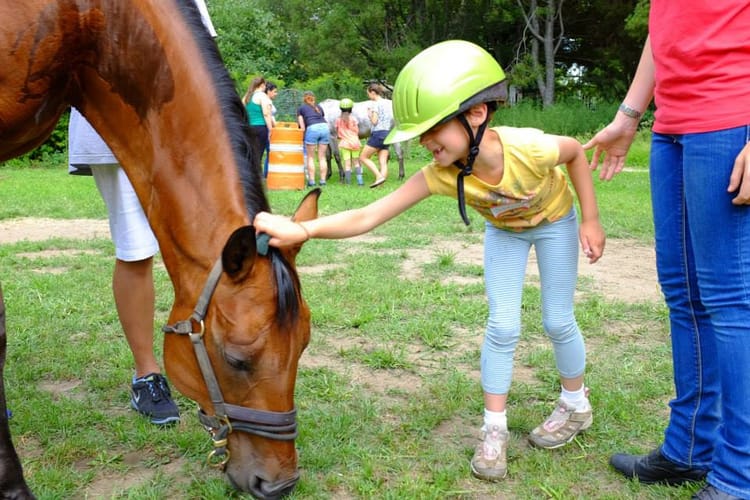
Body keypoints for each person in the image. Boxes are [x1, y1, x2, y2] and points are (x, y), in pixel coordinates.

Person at [255, 40, 605, 482]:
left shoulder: (529, 149)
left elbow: (574, 150)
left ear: (475, 114)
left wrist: (589, 220)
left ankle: (576, 406)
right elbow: (368, 215)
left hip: (555, 221)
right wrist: (303, 229)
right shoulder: (441, 174)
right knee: (502, 326)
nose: (424, 142)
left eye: (433, 129)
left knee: (557, 320)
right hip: (506, 232)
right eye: (419, 133)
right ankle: (493, 429)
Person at [584, 3, 750, 499]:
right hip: (673, 126)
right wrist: (629, 115)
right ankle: (689, 448)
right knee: (684, 292)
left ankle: (739, 475)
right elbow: (666, 27)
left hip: (731, 118)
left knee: (730, 300)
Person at [68, 109, 180, 425]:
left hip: (185, 123)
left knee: (207, 247)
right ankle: (146, 375)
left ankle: (210, 365)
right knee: (136, 249)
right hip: (115, 121)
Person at [359, 83, 393, 188]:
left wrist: (370, 115)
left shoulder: (376, 104)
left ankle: (379, 176)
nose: (368, 96)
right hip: (387, 133)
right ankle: (380, 186)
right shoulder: (388, 103)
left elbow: (374, 121)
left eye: (368, 94)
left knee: (363, 157)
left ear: (373, 93)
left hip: (378, 133)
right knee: (383, 161)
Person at [297, 90, 330, 187]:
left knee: (310, 157)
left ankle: (311, 181)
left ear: (304, 98)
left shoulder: (301, 108)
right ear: (313, 98)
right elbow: (321, 118)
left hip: (312, 128)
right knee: (322, 157)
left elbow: (302, 127)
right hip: (325, 127)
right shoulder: (319, 107)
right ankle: (323, 181)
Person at [242, 76, 274, 176]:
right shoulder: (262, 96)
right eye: (265, 85)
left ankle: (247, 175)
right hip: (260, 127)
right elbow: (266, 114)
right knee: (258, 154)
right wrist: (270, 129)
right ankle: (256, 178)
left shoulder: (246, 96)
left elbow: (242, 113)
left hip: (249, 128)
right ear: (262, 85)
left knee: (250, 154)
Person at [335, 98, 363, 186]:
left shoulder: (338, 120)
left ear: (341, 109)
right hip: (355, 142)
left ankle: (348, 183)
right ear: (351, 109)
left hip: (345, 143)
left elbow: (337, 133)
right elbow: (357, 131)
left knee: (347, 164)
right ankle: (360, 182)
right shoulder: (354, 119)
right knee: (356, 162)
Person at [262, 81, 279, 177]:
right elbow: (269, 116)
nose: (276, 94)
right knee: (270, 152)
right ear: (268, 91)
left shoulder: (267, 100)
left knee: (269, 153)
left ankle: (266, 174)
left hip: (268, 127)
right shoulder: (266, 101)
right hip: (268, 129)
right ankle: (267, 175)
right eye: (274, 91)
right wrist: (274, 127)